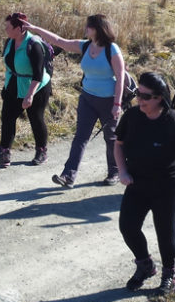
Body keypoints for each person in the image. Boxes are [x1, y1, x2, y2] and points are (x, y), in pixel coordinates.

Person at [113, 73, 175, 294]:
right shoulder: (131, 117)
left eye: (146, 96)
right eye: (138, 94)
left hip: (167, 183)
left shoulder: (174, 121)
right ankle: (145, 265)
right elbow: (118, 145)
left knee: (165, 231)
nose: (140, 100)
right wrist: (122, 171)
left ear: (159, 98)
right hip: (138, 180)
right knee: (128, 227)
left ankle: (169, 275)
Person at [23, 14, 126, 187]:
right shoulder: (85, 46)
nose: (86, 29)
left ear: (98, 29)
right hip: (87, 98)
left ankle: (115, 171)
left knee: (111, 138)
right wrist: (34, 29)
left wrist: (117, 104)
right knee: (80, 137)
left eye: (89, 26)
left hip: (108, 101)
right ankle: (68, 175)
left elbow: (120, 77)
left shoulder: (112, 49)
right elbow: (58, 40)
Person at [0, 12, 53, 167]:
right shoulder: (9, 42)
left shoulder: (34, 44)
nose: (5, 29)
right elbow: (10, 66)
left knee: (36, 118)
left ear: (20, 28)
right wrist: (6, 87)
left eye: (8, 27)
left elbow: (37, 74)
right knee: (7, 117)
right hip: (15, 84)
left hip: (37, 87)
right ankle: (4, 154)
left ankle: (41, 151)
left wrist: (29, 96)